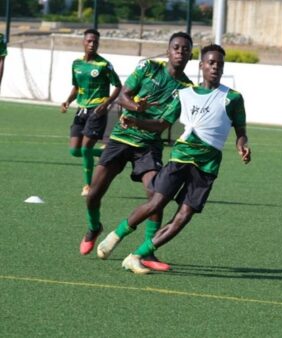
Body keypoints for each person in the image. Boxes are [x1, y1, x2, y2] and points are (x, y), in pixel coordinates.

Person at [97, 44, 251, 274]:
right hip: (180, 158)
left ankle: (137, 254)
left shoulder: (233, 98)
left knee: (184, 216)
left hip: (207, 166)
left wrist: (242, 145)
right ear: (201, 66)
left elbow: (240, 128)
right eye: (211, 62)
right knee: (156, 203)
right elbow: (161, 124)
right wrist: (135, 121)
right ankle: (116, 235)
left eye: (219, 63)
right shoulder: (184, 94)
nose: (215, 67)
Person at [81, 32, 194, 270]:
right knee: (93, 194)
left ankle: (148, 253)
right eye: (176, 47)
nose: (180, 52)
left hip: (148, 146)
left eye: (185, 49)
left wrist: (137, 121)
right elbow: (122, 95)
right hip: (121, 139)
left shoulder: (186, 90)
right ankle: (94, 227)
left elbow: (164, 124)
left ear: (190, 55)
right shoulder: (149, 68)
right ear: (168, 50)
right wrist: (134, 106)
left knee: (156, 196)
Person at [61, 29, 122, 197]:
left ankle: (88, 186)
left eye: (95, 42)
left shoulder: (104, 65)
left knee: (86, 148)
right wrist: (68, 101)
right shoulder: (76, 64)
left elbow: (118, 86)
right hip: (81, 110)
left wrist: (107, 103)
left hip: (97, 110)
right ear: (83, 42)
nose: (92, 44)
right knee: (75, 151)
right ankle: (109, 153)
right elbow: (76, 87)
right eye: (89, 41)